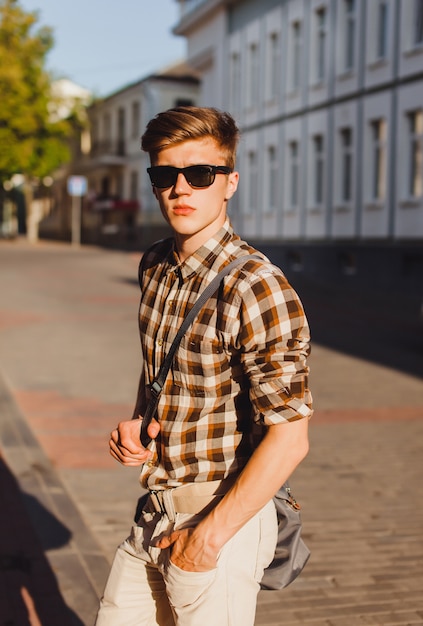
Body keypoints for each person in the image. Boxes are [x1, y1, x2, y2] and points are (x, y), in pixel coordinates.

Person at [95, 106, 313, 626]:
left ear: (229, 182)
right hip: (155, 508)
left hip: (220, 516)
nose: (181, 189)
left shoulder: (255, 285)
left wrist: (206, 540)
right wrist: (139, 421)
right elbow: (161, 372)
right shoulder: (154, 267)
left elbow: (291, 437)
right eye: (164, 175)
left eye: (199, 175)